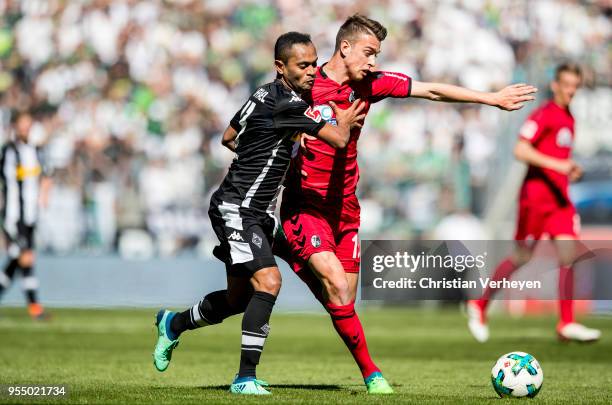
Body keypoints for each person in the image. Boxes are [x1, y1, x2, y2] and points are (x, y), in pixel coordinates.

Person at [275, 14, 538, 394]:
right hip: (307, 206)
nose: (373, 62)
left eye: (377, 55)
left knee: (343, 296)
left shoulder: (371, 85)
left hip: (345, 209)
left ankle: (287, 250)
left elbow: (430, 90)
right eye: (368, 53)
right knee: (334, 284)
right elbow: (267, 121)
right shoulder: (304, 84)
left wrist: (490, 99)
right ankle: (372, 375)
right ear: (344, 47)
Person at [152, 32, 364, 395]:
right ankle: (244, 378)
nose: (313, 71)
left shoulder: (263, 94)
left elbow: (229, 136)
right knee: (269, 281)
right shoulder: (289, 107)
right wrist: (344, 119)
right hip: (236, 209)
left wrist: (265, 149)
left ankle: (173, 324)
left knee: (238, 299)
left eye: (314, 63)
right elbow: (340, 140)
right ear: (280, 67)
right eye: (303, 65)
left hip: (258, 213)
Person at [466, 63, 601, 343]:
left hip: (559, 200)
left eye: (575, 86)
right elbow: (520, 149)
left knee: (569, 254)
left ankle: (566, 322)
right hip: (536, 199)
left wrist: (567, 169)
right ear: (555, 84)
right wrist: (559, 164)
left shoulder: (569, 117)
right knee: (522, 257)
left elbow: (557, 158)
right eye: (566, 85)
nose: (570, 91)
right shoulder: (545, 115)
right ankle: (479, 305)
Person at [0, 111, 52, 320]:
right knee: (25, 257)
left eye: (28, 125)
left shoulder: (36, 151)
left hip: (31, 216)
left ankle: (34, 307)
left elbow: (47, 175)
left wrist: (45, 195)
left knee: (16, 258)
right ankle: (35, 307)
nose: (25, 128)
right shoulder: (8, 151)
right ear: (15, 127)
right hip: (13, 215)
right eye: (22, 124)